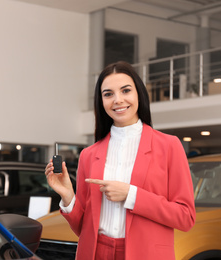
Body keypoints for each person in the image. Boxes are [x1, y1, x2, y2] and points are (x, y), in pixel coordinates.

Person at [44, 61, 196, 260]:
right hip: (96, 253)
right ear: (101, 101)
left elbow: (185, 217)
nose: (118, 100)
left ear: (138, 94)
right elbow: (82, 228)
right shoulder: (89, 154)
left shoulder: (169, 146)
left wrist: (131, 195)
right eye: (108, 94)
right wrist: (68, 196)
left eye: (125, 91)